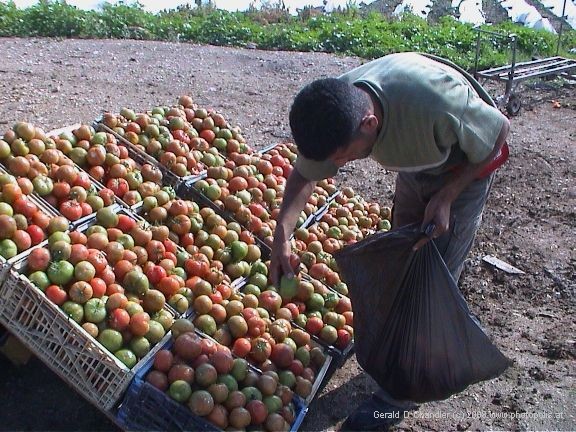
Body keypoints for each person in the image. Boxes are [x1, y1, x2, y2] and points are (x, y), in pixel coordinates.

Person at [269, 52, 510, 431]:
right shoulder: (334, 109)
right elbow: (303, 177)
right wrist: (281, 236)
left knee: (431, 272)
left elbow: (498, 136)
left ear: (369, 124)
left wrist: (447, 196)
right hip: (420, 162)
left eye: (343, 159)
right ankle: (408, 339)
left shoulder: (435, 103)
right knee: (403, 255)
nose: (339, 168)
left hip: (465, 164)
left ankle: (398, 395)